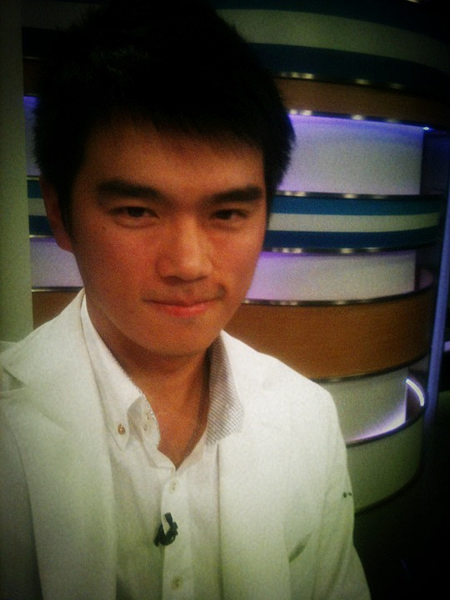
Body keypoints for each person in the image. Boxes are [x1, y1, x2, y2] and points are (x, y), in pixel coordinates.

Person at [0, 1, 370, 598]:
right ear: (60, 213)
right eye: (136, 211)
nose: (189, 264)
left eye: (227, 214)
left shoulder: (308, 419)